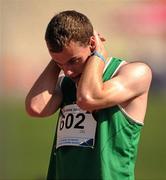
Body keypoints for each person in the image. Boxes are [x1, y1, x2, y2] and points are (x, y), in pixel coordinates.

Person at [25, 10, 152, 180]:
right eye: (60, 64)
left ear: (92, 44)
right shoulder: (67, 83)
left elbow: (88, 99)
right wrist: (59, 60)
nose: (68, 72)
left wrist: (98, 55)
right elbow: (35, 107)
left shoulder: (134, 73)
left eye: (73, 60)